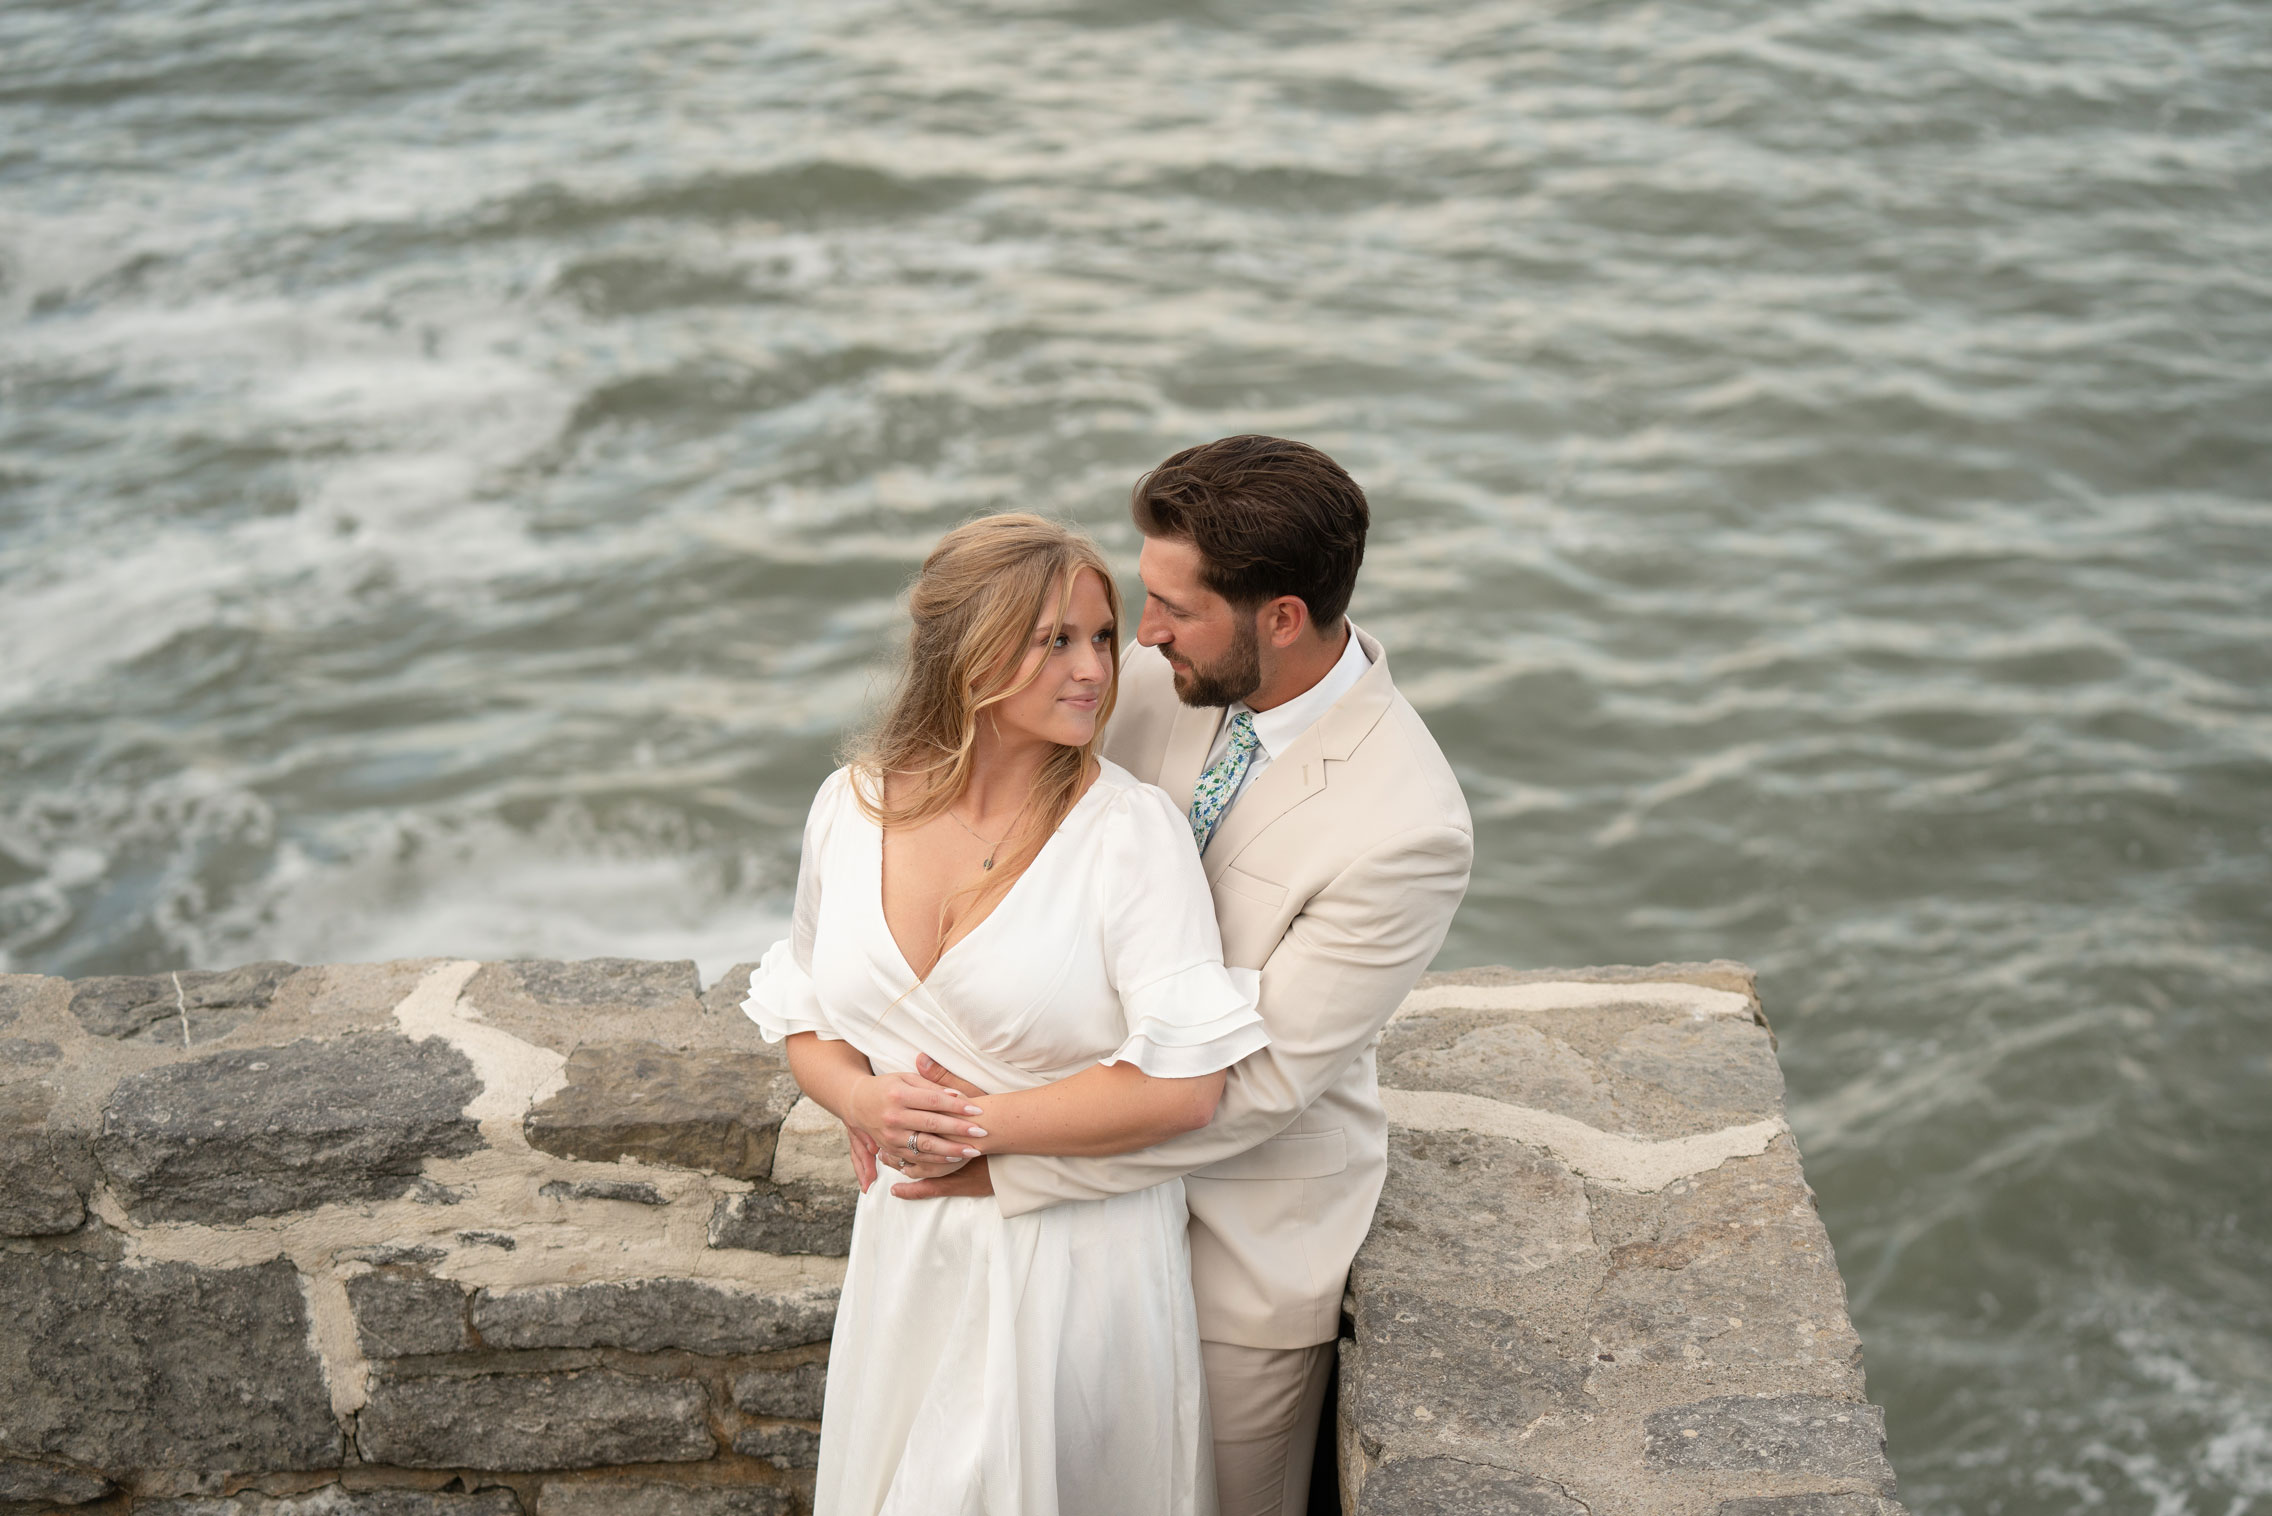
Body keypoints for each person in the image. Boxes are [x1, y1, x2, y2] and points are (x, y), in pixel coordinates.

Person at [889, 435, 1474, 1516]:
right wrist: (883, 1073)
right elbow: (996, 845)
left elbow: (1253, 1085)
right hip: (1066, 1232)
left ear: (1281, 618)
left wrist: (992, 1154)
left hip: (1234, 1248)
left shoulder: (1407, 827)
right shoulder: (1153, 684)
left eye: (1173, 607)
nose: (1140, 634)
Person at [739, 513, 1270, 1516]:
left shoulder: (1130, 834)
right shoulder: (849, 805)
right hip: (908, 1256)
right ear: (967, 650)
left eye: (1101, 637)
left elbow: (1186, 1088)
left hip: (1074, 1260)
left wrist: (963, 1128)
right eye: (1054, 641)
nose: (1095, 669)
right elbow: (805, 1013)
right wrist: (861, 1099)